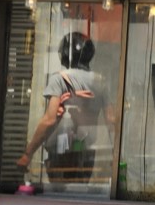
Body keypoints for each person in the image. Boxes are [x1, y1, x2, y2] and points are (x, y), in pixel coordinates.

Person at [16, 32, 109, 185]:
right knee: (80, 197)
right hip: (87, 152)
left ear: (65, 53)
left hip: (61, 151)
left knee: (59, 197)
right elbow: (112, 119)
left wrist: (28, 153)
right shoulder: (100, 82)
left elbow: (50, 119)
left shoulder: (59, 79)